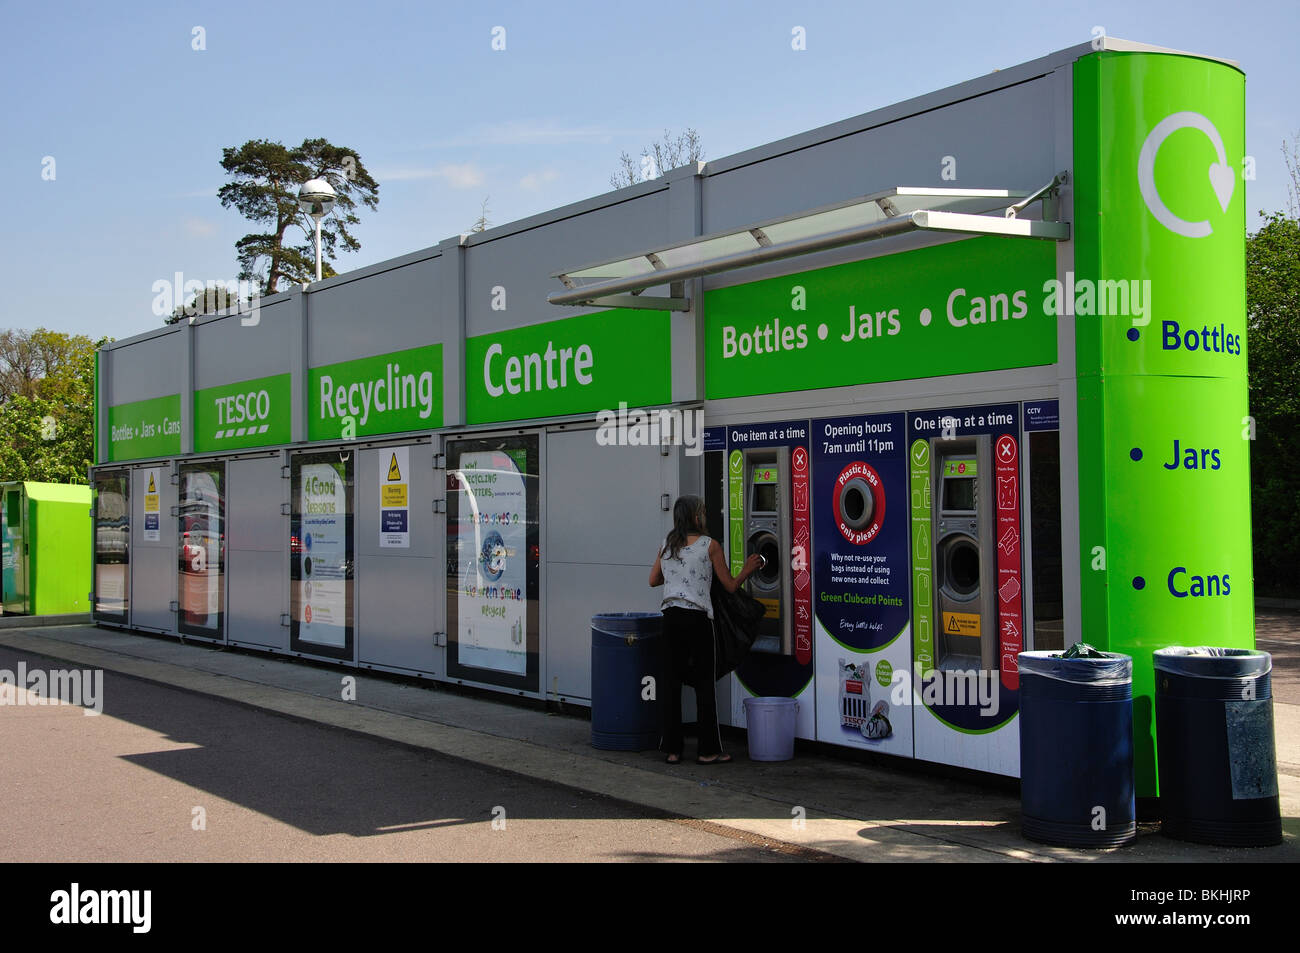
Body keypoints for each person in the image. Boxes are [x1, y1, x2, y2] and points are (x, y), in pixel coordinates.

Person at [650, 495, 762, 764]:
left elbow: (653, 580)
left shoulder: (667, 545)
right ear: (695, 517)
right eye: (702, 511)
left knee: (671, 684)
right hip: (697, 620)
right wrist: (747, 568)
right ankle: (708, 750)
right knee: (704, 686)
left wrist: (677, 574)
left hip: (670, 617)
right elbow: (730, 586)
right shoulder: (709, 546)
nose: (705, 515)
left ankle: (673, 750)